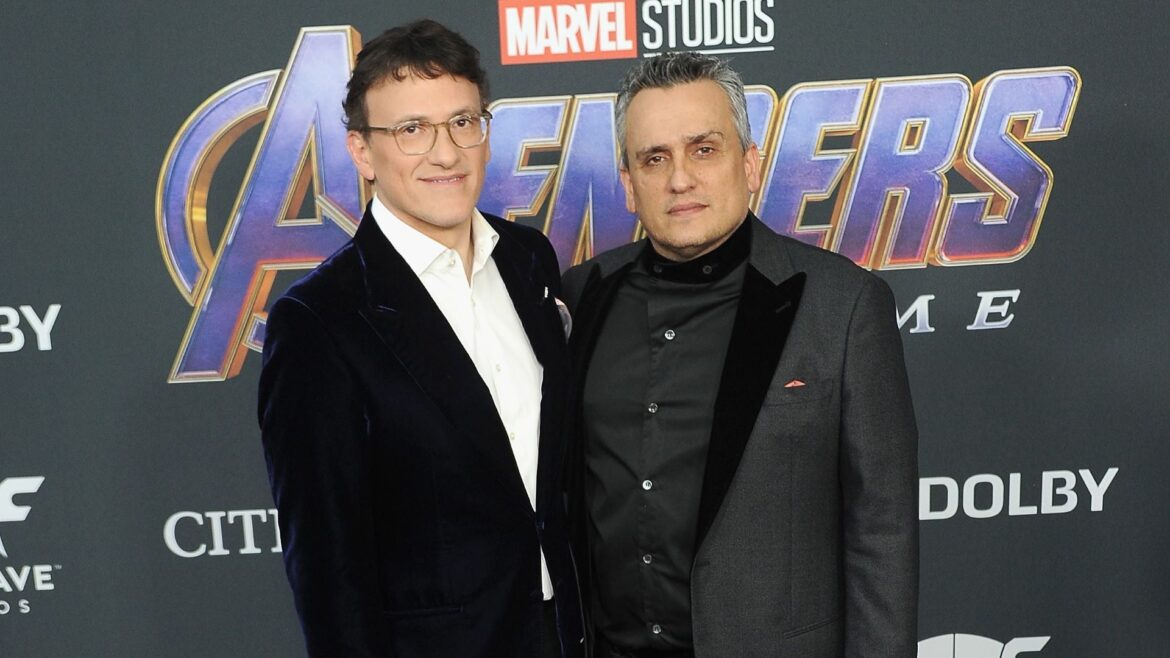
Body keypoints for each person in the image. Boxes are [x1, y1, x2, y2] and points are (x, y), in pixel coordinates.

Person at [562, 52, 918, 657]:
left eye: (704, 149)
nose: (680, 179)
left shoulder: (844, 306)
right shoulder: (582, 296)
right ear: (628, 184)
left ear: (749, 165)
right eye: (654, 159)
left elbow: (882, 531)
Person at [258, 19, 582, 658]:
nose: (446, 153)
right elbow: (328, 571)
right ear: (361, 152)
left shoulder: (528, 259)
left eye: (462, 122)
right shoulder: (319, 321)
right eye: (412, 130)